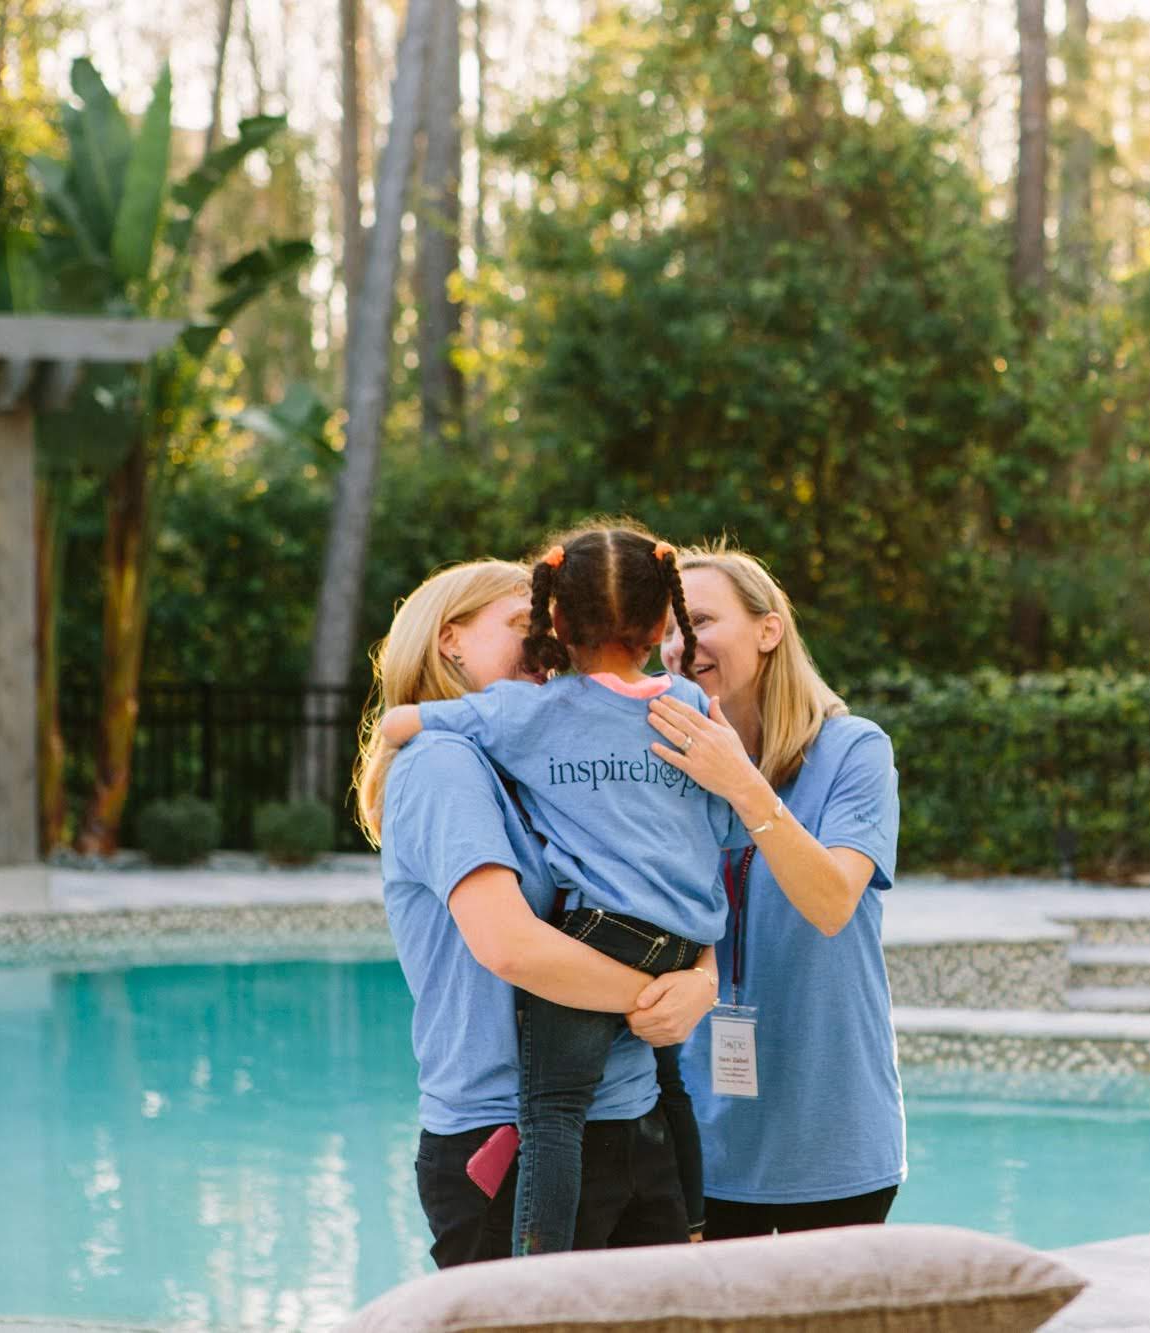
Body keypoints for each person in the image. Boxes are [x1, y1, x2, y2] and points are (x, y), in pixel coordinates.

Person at [377, 523, 740, 1256]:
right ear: (450, 641)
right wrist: (666, 993)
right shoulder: (442, 764)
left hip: (628, 1118)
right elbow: (510, 945)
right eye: (524, 624)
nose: (546, 642)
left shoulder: (548, 749)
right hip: (507, 1135)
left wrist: (701, 978)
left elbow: (666, 871)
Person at [648, 545, 906, 1238]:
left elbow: (831, 903)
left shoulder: (854, 752)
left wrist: (741, 782)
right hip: (698, 1148)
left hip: (834, 1145)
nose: (679, 645)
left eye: (700, 620)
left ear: (769, 629)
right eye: (667, 631)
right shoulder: (662, 769)